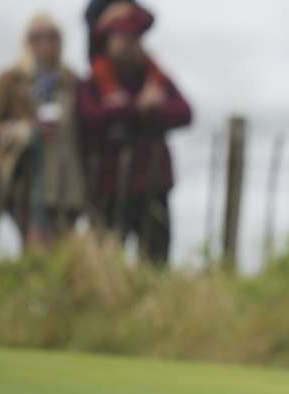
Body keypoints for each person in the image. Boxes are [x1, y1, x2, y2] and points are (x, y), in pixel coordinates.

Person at [78, 2, 191, 266]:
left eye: (132, 37)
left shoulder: (154, 76)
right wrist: (137, 108)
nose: (127, 43)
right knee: (105, 262)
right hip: (108, 185)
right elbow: (91, 119)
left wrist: (141, 110)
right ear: (107, 39)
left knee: (155, 261)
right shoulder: (94, 81)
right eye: (120, 36)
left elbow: (184, 113)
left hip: (152, 182)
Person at [0, 13, 87, 252]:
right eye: (37, 37)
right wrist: (23, 130)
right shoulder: (11, 80)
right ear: (27, 41)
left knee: (63, 246)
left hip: (66, 180)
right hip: (25, 177)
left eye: (51, 37)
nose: (44, 43)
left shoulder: (72, 81)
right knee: (34, 243)